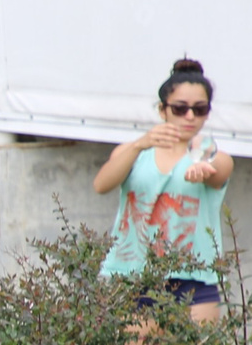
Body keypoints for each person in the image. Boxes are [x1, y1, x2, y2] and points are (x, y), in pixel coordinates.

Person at [94, 56, 234, 323]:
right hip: (135, 276)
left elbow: (220, 169)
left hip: (196, 279)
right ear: (163, 110)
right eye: (180, 108)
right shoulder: (135, 152)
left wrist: (205, 170)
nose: (190, 116)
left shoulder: (208, 154)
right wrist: (139, 145)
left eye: (200, 109)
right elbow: (101, 184)